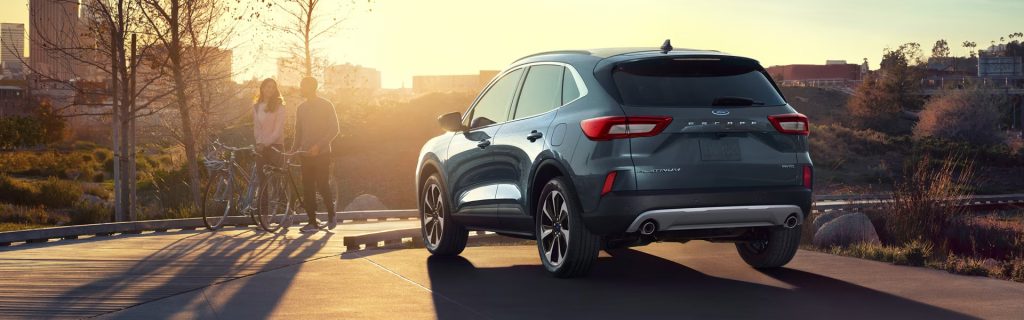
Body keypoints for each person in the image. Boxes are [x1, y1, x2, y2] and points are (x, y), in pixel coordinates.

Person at [293, 76, 340, 233]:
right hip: (305, 155)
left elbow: (334, 129)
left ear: (312, 87)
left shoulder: (326, 105)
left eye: (303, 86)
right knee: (307, 188)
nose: (301, 89)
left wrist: (318, 146)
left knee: (322, 185)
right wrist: (293, 150)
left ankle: (331, 214)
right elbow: (298, 132)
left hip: (322, 154)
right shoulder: (301, 108)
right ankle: (312, 222)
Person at [253, 78, 286, 215]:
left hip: (276, 147)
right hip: (261, 148)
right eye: (267, 87)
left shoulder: (280, 106)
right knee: (262, 182)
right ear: (262, 88)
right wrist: (259, 142)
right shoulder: (256, 106)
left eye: (273, 87)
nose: (270, 90)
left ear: (275, 90)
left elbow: (278, 130)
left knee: (276, 182)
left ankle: (287, 212)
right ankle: (264, 216)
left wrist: (265, 143)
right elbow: (256, 128)